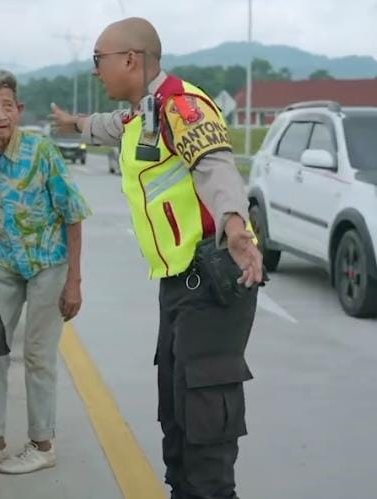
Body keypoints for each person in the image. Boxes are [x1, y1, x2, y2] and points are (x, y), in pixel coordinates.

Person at [51, 17, 264, 499]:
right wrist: (75, 123)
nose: (95, 72)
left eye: (98, 61)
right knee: (176, 414)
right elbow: (108, 127)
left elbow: (216, 166)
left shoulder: (182, 107)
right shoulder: (144, 111)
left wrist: (235, 225)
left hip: (212, 282)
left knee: (205, 421)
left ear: (130, 59)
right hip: (179, 286)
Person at [0, 69, 92, 475]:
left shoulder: (42, 152)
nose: (0, 115)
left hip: (47, 265)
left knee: (38, 355)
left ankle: (42, 444)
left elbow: (72, 216)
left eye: (7, 106)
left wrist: (73, 281)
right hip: (2, 264)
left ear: (18, 110)